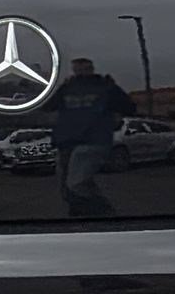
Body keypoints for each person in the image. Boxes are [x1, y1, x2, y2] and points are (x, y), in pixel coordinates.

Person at [44, 57, 136, 217]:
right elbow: (48, 106)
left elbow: (129, 108)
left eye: (84, 68)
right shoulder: (67, 88)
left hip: (93, 141)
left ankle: (105, 212)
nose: (80, 71)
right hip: (67, 142)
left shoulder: (104, 87)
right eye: (77, 68)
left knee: (76, 183)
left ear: (91, 69)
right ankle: (80, 214)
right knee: (68, 188)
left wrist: (114, 89)